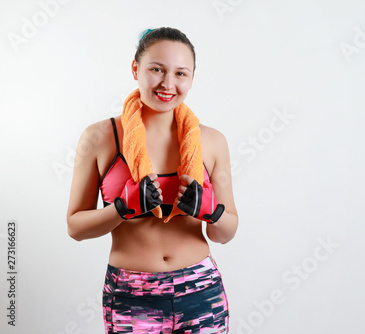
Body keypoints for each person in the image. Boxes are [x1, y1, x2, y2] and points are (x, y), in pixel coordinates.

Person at [66, 27, 238, 333]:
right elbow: (75, 227)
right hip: (131, 294)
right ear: (136, 69)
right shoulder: (98, 138)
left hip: (200, 288)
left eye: (180, 73)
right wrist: (121, 208)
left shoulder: (211, 141)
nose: (168, 84)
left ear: (192, 77)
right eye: (156, 69)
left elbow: (226, 233)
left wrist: (211, 210)